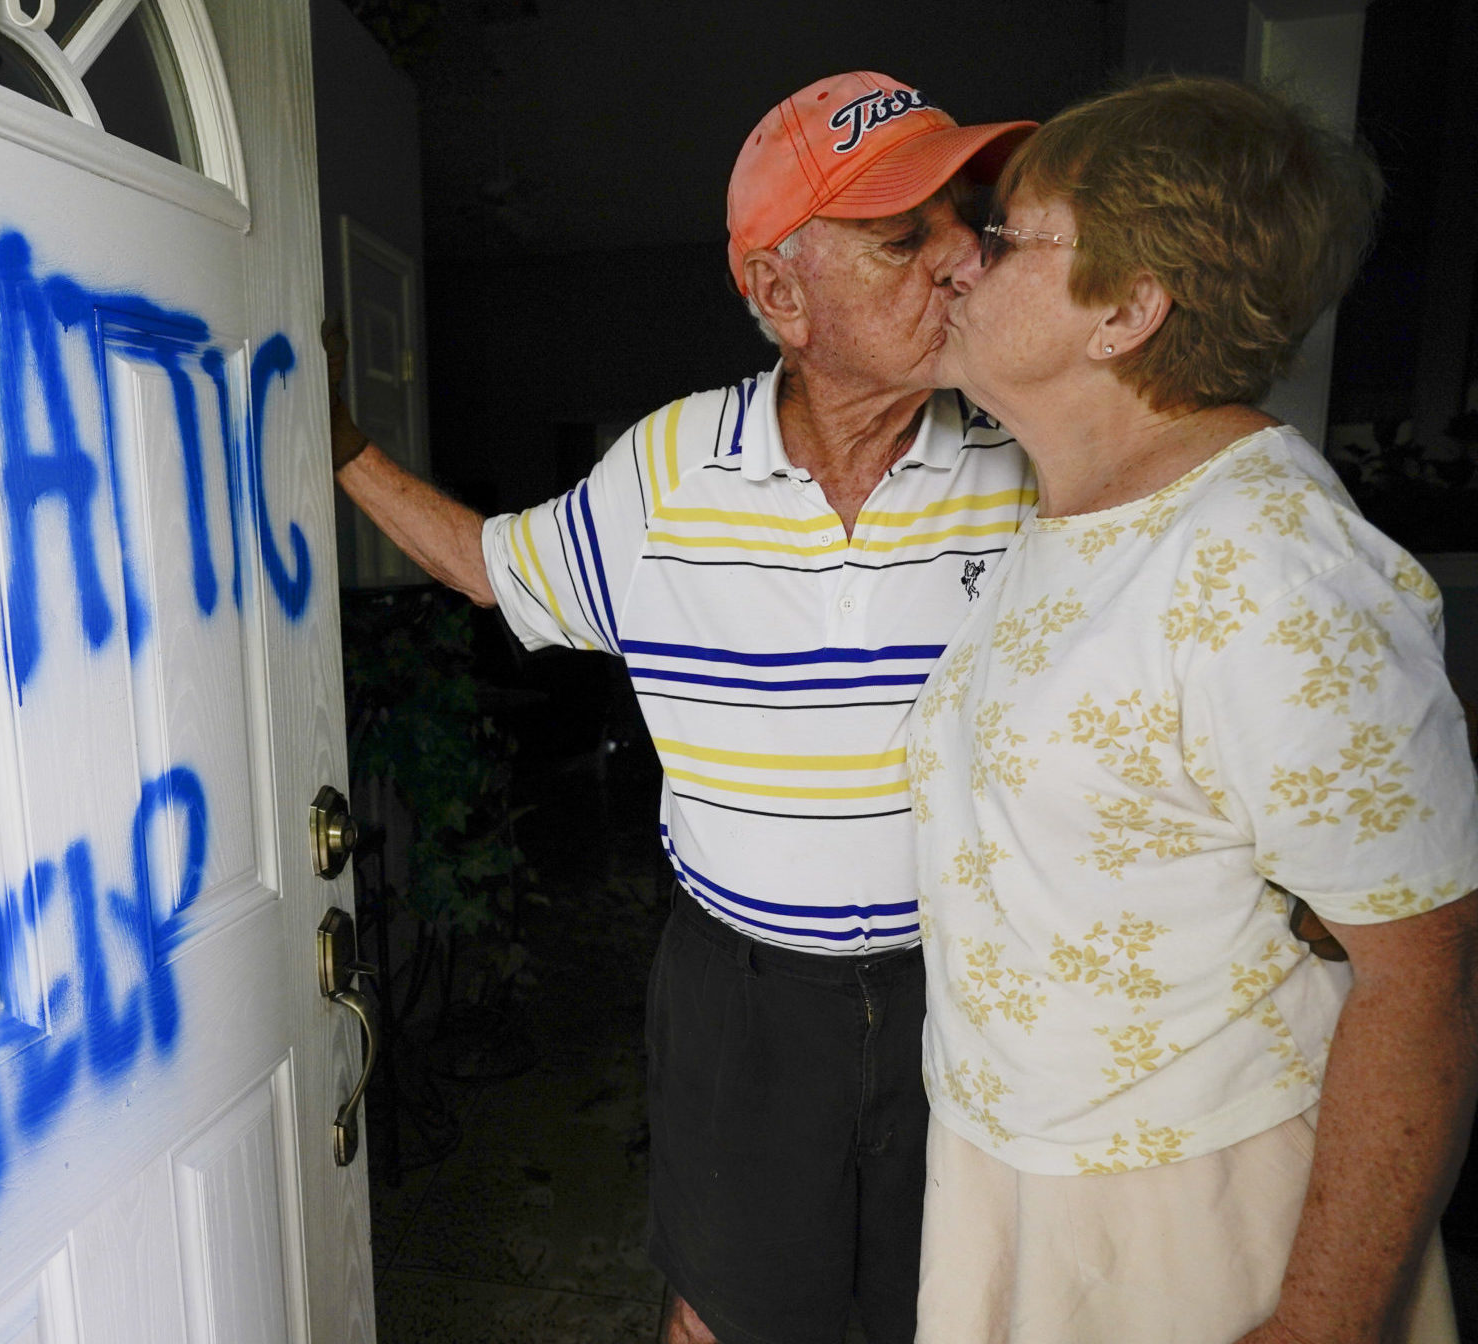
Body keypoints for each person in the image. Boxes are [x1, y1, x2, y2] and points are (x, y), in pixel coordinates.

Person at [329, 72, 1033, 1344]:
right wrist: (337, 448)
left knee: (954, 1305)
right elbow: (494, 569)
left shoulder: (1028, 455)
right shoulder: (663, 472)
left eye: (964, 219)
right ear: (779, 295)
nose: (963, 261)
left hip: (979, 981)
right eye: (903, 235)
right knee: (725, 1311)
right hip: (745, 997)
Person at [909, 75, 1478, 1343]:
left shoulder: (1271, 565)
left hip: (1190, 1200)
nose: (956, 259)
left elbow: (1432, 973)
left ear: (1127, 309)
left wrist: (1321, 1324)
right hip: (1012, 1164)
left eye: (1005, 233)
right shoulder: (1071, 513)